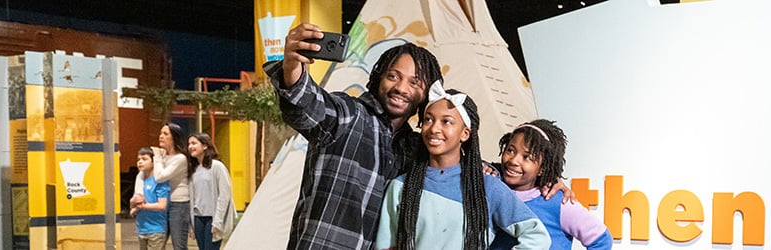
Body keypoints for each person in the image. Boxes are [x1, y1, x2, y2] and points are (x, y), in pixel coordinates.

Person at [264, 22, 438, 249]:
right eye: (393, 76)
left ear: (426, 94)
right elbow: (307, 104)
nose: (401, 88)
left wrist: (486, 169)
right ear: (378, 78)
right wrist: (292, 66)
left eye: (415, 82)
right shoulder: (348, 115)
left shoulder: (415, 148)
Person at [375, 86, 551, 249]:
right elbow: (385, 246)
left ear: (465, 133)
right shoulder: (400, 186)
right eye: (428, 119)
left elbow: (537, 236)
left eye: (446, 122)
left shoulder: (487, 187)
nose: (434, 128)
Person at [490, 119, 612, 250]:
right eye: (510, 150)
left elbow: (602, 240)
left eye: (527, 158)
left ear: (543, 168)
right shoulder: (493, 187)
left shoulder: (558, 203)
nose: (514, 160)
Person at [133, 123, 192, 250]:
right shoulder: (162, 155)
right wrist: (138, 195)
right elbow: (142, 173)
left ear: (174, 138)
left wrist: (158, 157)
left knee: (179, 244)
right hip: (162, 201)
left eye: (165, 134)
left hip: (178, 203)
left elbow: (160, 177)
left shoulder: (180, 158)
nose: (161, 136)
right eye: (160, 133)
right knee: (158, 242)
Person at [186, 133, 235, 250]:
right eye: (189, 144)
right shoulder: (193, 169)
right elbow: (192, 198)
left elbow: (224, 195)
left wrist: (218, 221)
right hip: (198, 218)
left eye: (194, 143)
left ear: (204, 146)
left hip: (212, 218)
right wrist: (191, 225)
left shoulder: (217, 167)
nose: (190, 147)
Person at [133, 147, 171, 250]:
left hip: (156, 229)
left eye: (144, 159)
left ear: (154, 162)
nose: (140, 162)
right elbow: (134, 201)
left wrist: (143, 206)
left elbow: (162, 205)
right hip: (141, 228)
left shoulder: (160, 181)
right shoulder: (140, 181)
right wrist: (134, 205)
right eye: (138, 159)